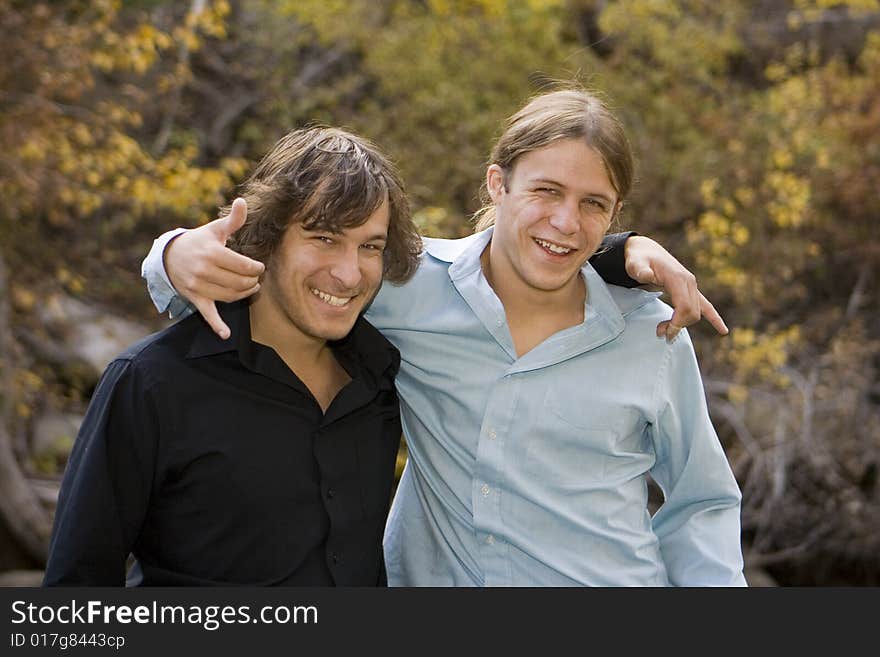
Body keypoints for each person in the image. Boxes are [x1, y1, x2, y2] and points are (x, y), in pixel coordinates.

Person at [141, 88, 745, 585]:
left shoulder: (653, 332)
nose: (566, 222)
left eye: (594, 204)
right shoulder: (405, 286)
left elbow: (702, 501)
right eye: (546, 191)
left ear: (615, 215)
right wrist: (171, 255)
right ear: (496, 184)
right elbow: (280, 280)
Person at [43, 126, 422, 586]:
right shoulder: (152, 382)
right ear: (267, 236)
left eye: (370, 247)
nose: (347, 272)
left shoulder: (380, 378)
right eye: (323, 237)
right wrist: (171, 252)